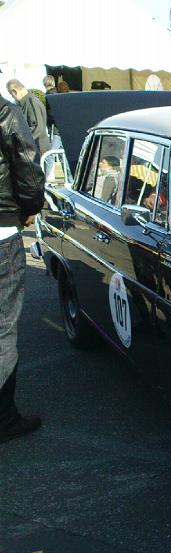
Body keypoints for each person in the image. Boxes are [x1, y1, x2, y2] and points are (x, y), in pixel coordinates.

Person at [0, 94, 45, 444]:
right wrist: (29, 208)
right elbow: (27, 164)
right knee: (2, 328)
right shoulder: (4, 110)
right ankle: (4, 419)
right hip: (1, 230)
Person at [5, 80, 50, 155]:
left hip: (39, 149)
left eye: (11, 94)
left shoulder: (31, 102)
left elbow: (37, 128)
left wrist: (20, 142)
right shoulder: (27, 102)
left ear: (14, 91)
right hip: (36, 148)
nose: (12, 97)